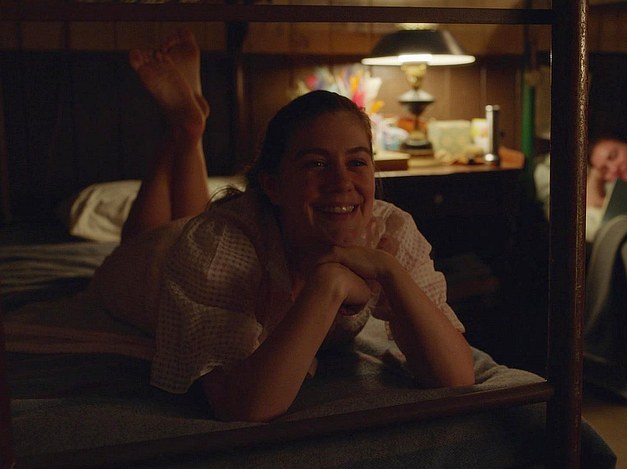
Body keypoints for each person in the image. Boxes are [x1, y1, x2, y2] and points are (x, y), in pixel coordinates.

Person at [89, 30, 475, 423]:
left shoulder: (390, 231)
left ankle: (187, 132)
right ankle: (182, 133)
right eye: (316, 164)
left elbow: (457, 378)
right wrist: (330, 284)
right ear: (272, 185)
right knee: (148, 237)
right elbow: (243, 405)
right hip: (148, 269)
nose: (341, 182)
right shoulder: (215, 246)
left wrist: (390, 271)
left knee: (189, 221)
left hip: (209, 235)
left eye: (357, 162)